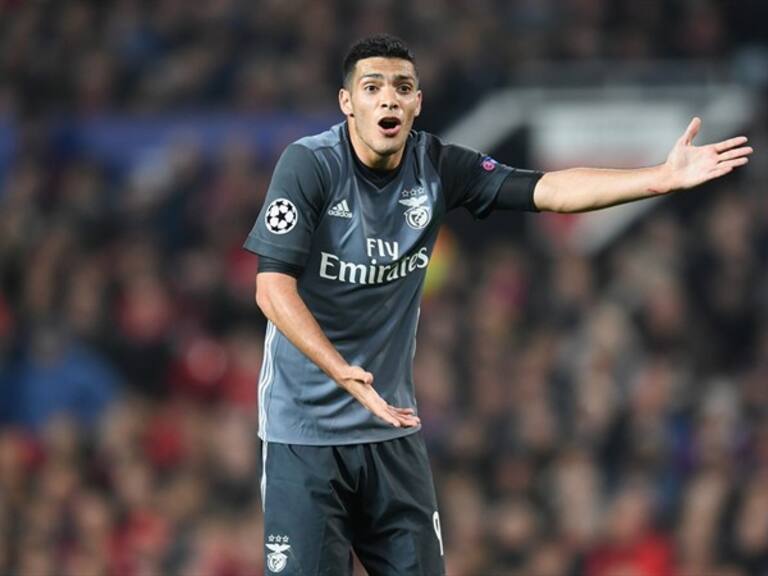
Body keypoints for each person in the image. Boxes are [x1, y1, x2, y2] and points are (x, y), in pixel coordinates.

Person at [243, 34, 752, 576]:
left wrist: (660, 178)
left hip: (391, 429)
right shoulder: (310, 166)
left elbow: (548, 190)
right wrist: (342, 371)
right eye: (372, 87)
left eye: (403, 87)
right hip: (304, 433)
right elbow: (272, 288)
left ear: (418, 102)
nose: (388, 99)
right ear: (348, 103)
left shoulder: (436, 165)